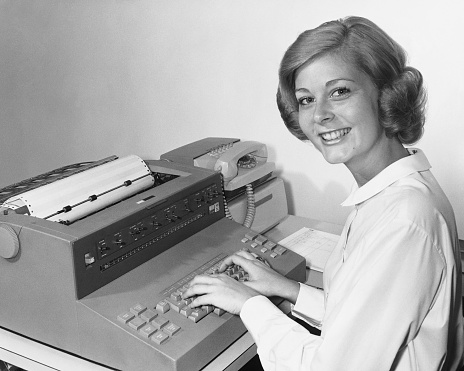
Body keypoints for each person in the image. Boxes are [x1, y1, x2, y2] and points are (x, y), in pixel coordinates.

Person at [183, 16, 464, 370]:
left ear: (387, 94)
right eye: (305, 100)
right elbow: (365, 318)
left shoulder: (404, 221)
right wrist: (287, 290)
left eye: (340, 91)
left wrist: (250, 305)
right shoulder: (393, 193)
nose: (320, 115)